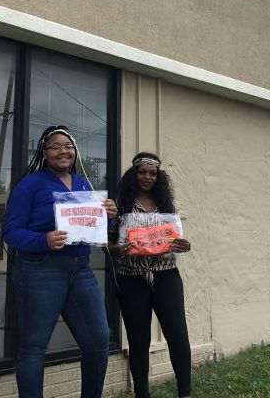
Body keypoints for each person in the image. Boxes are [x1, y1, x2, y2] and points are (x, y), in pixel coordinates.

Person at [3, 125, 117, 398]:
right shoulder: (30, 185)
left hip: (80, 269)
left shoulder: (82, 184)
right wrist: (43, 240)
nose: (63, 150)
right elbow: (10, 231)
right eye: (55, 146)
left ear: (75, 152)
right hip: (39, 270)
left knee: (99, 341)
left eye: (68, 145)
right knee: (33, 347)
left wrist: (110, 214)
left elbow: (92, 225)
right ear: (44, 153)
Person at [108, 152, 192, 398]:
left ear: (159, 176)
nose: (147, 177)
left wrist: (185, 245)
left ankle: (185, 393)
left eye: (152, 173)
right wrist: (114, 249)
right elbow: (108, 242)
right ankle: (141, 394)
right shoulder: (120, 206)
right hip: (130, 278)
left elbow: (177, 239)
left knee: (177, 334)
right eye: (142, 172)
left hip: (166, 275)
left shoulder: (166, 206)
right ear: (134, 174)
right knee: (138, 340)